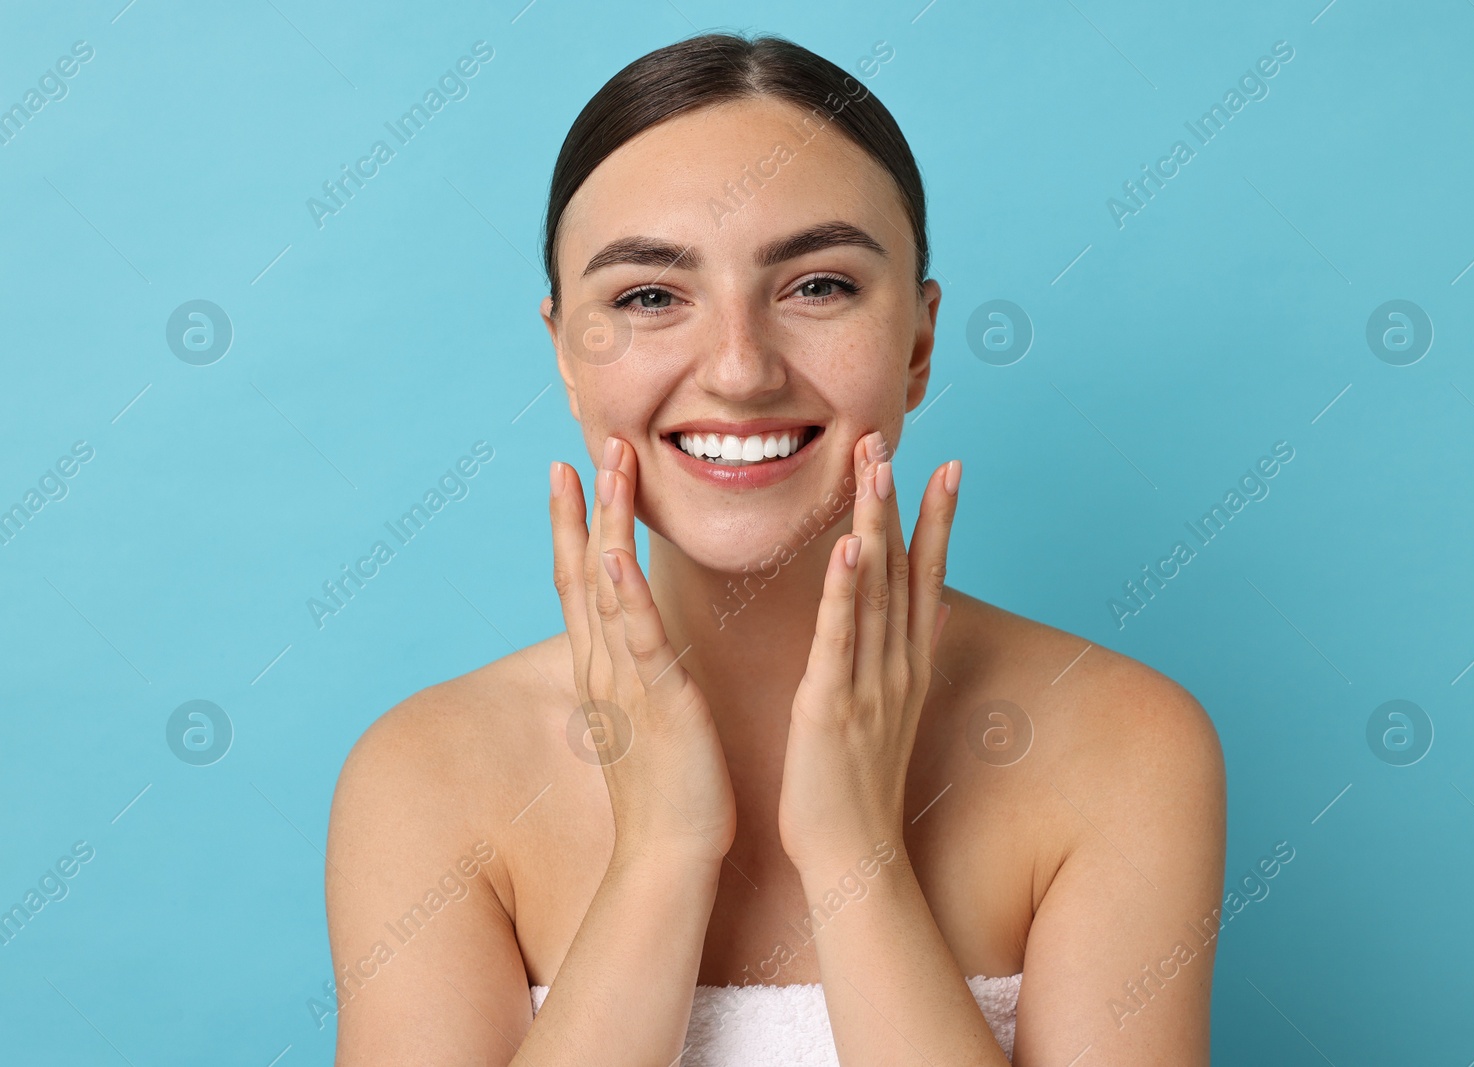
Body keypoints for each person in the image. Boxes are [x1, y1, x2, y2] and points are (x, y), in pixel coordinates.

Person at [325, 30, 1225, 1066]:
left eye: (817, 286)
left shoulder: (1123, 747)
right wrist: (662, 857)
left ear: (919, 344)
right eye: (650, 296)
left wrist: (858, 856)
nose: (741, 370)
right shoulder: (425, 778)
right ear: (567, 352)